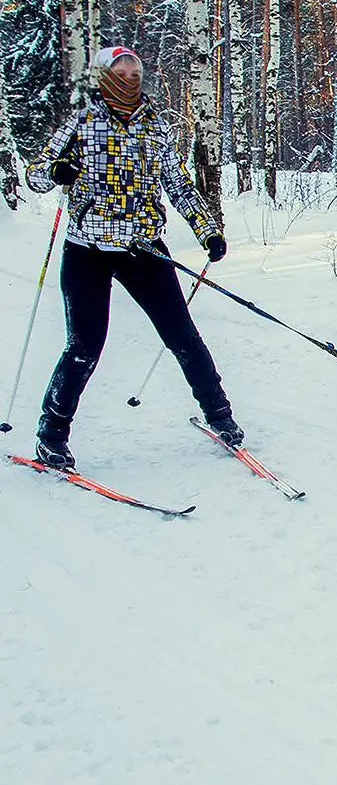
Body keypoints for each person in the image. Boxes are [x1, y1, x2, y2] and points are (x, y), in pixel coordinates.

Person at [24, 45, 243, 470]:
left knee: (182, 336)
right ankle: (51, 434)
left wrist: (208, 230)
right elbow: (36, 175)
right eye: (120, 71)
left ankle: (220, 415)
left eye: (134, 70)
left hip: (143, 249)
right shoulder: (81, 121)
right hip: (88, 249)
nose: (128, 77)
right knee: (84, 346)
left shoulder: (154, 126)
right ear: (104, 77)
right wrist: (55, 173)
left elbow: (178, 184)